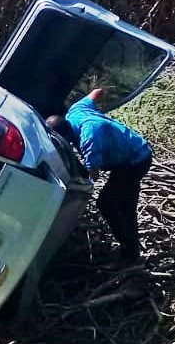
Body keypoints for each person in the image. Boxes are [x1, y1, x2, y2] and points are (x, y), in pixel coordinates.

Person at [46, 88, 152, 267]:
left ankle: (130, 254)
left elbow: (93, 174)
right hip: (134, 151)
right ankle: (133, 252)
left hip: (135, 161)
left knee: (107, 203)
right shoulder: (76, 110)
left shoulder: (89, 138)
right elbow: (97, 92)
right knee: (126, 204)